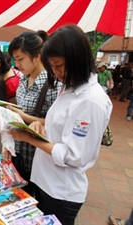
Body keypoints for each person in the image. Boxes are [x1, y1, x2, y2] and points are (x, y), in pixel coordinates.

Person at [8, 25, 112, 225]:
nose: (56, 73)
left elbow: (74, 155)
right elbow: (60, 128)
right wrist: (40, 129)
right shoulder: (69, 88)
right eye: (52, 67)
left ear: (77, 59)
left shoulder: (91, 101)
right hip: (46, 181)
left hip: (61, 191)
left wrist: (30, 139)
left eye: (59, 65)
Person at [7, 31, 62, 194]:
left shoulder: (53, 84)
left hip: (38, 157)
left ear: (37, 56)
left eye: (20, 59)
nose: (17, 64)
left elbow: (56, 122)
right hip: (19, 151)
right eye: (15, 59)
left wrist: (24, 117)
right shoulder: (23, 78)